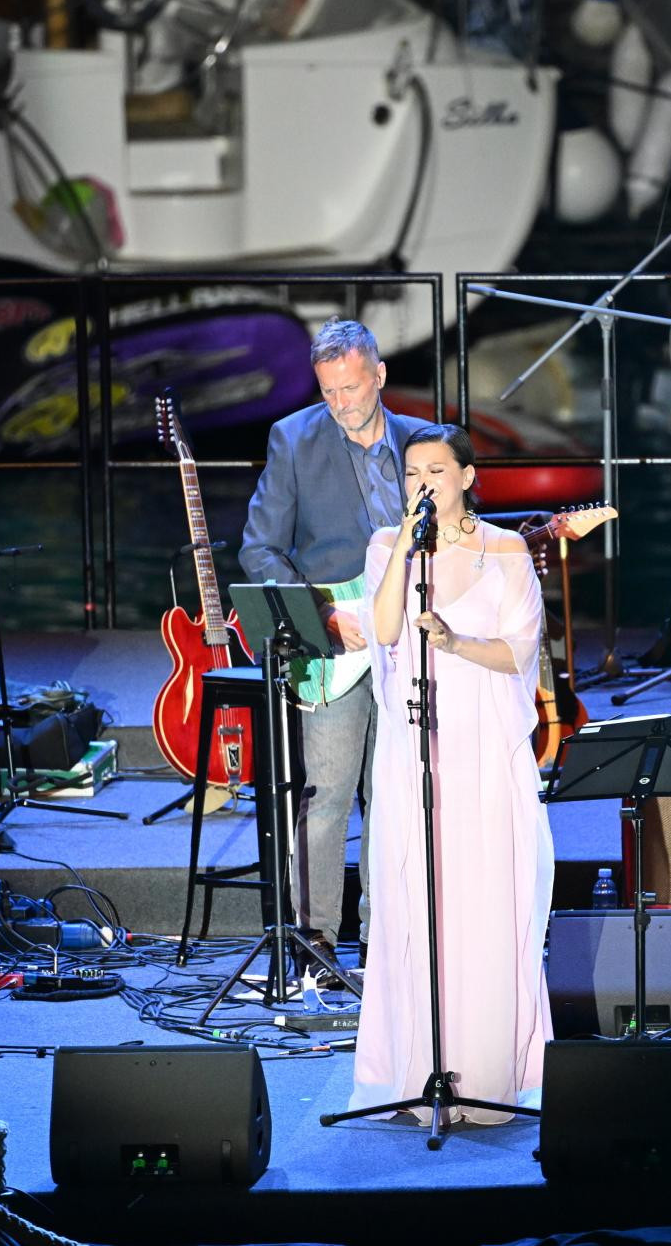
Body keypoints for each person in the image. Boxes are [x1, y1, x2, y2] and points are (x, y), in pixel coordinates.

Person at [347, 423, 552, 1124]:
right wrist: (406, 544)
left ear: (466, 476)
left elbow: (520, 651)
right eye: (412, 473)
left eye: (436, 470)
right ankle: (416, 1067)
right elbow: (383, 630)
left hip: (483, 746)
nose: (422, 483)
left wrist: (457, 641)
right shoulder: (388, 545)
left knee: (481, 900)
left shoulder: (507, 549)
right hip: (415, 745)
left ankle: (487, 1072)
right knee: (419, 898)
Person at [239, 317, 431, 970]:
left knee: (395, 799)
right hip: (338, 648)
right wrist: (320, 614)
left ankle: (385, 938)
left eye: (352, 388)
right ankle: (315, 941)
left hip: (410, 648)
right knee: (326, 797)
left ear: (379, 375)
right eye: (329, 391)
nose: (342, 403)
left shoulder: (421, 443)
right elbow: (260, 548)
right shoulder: (293, 439)